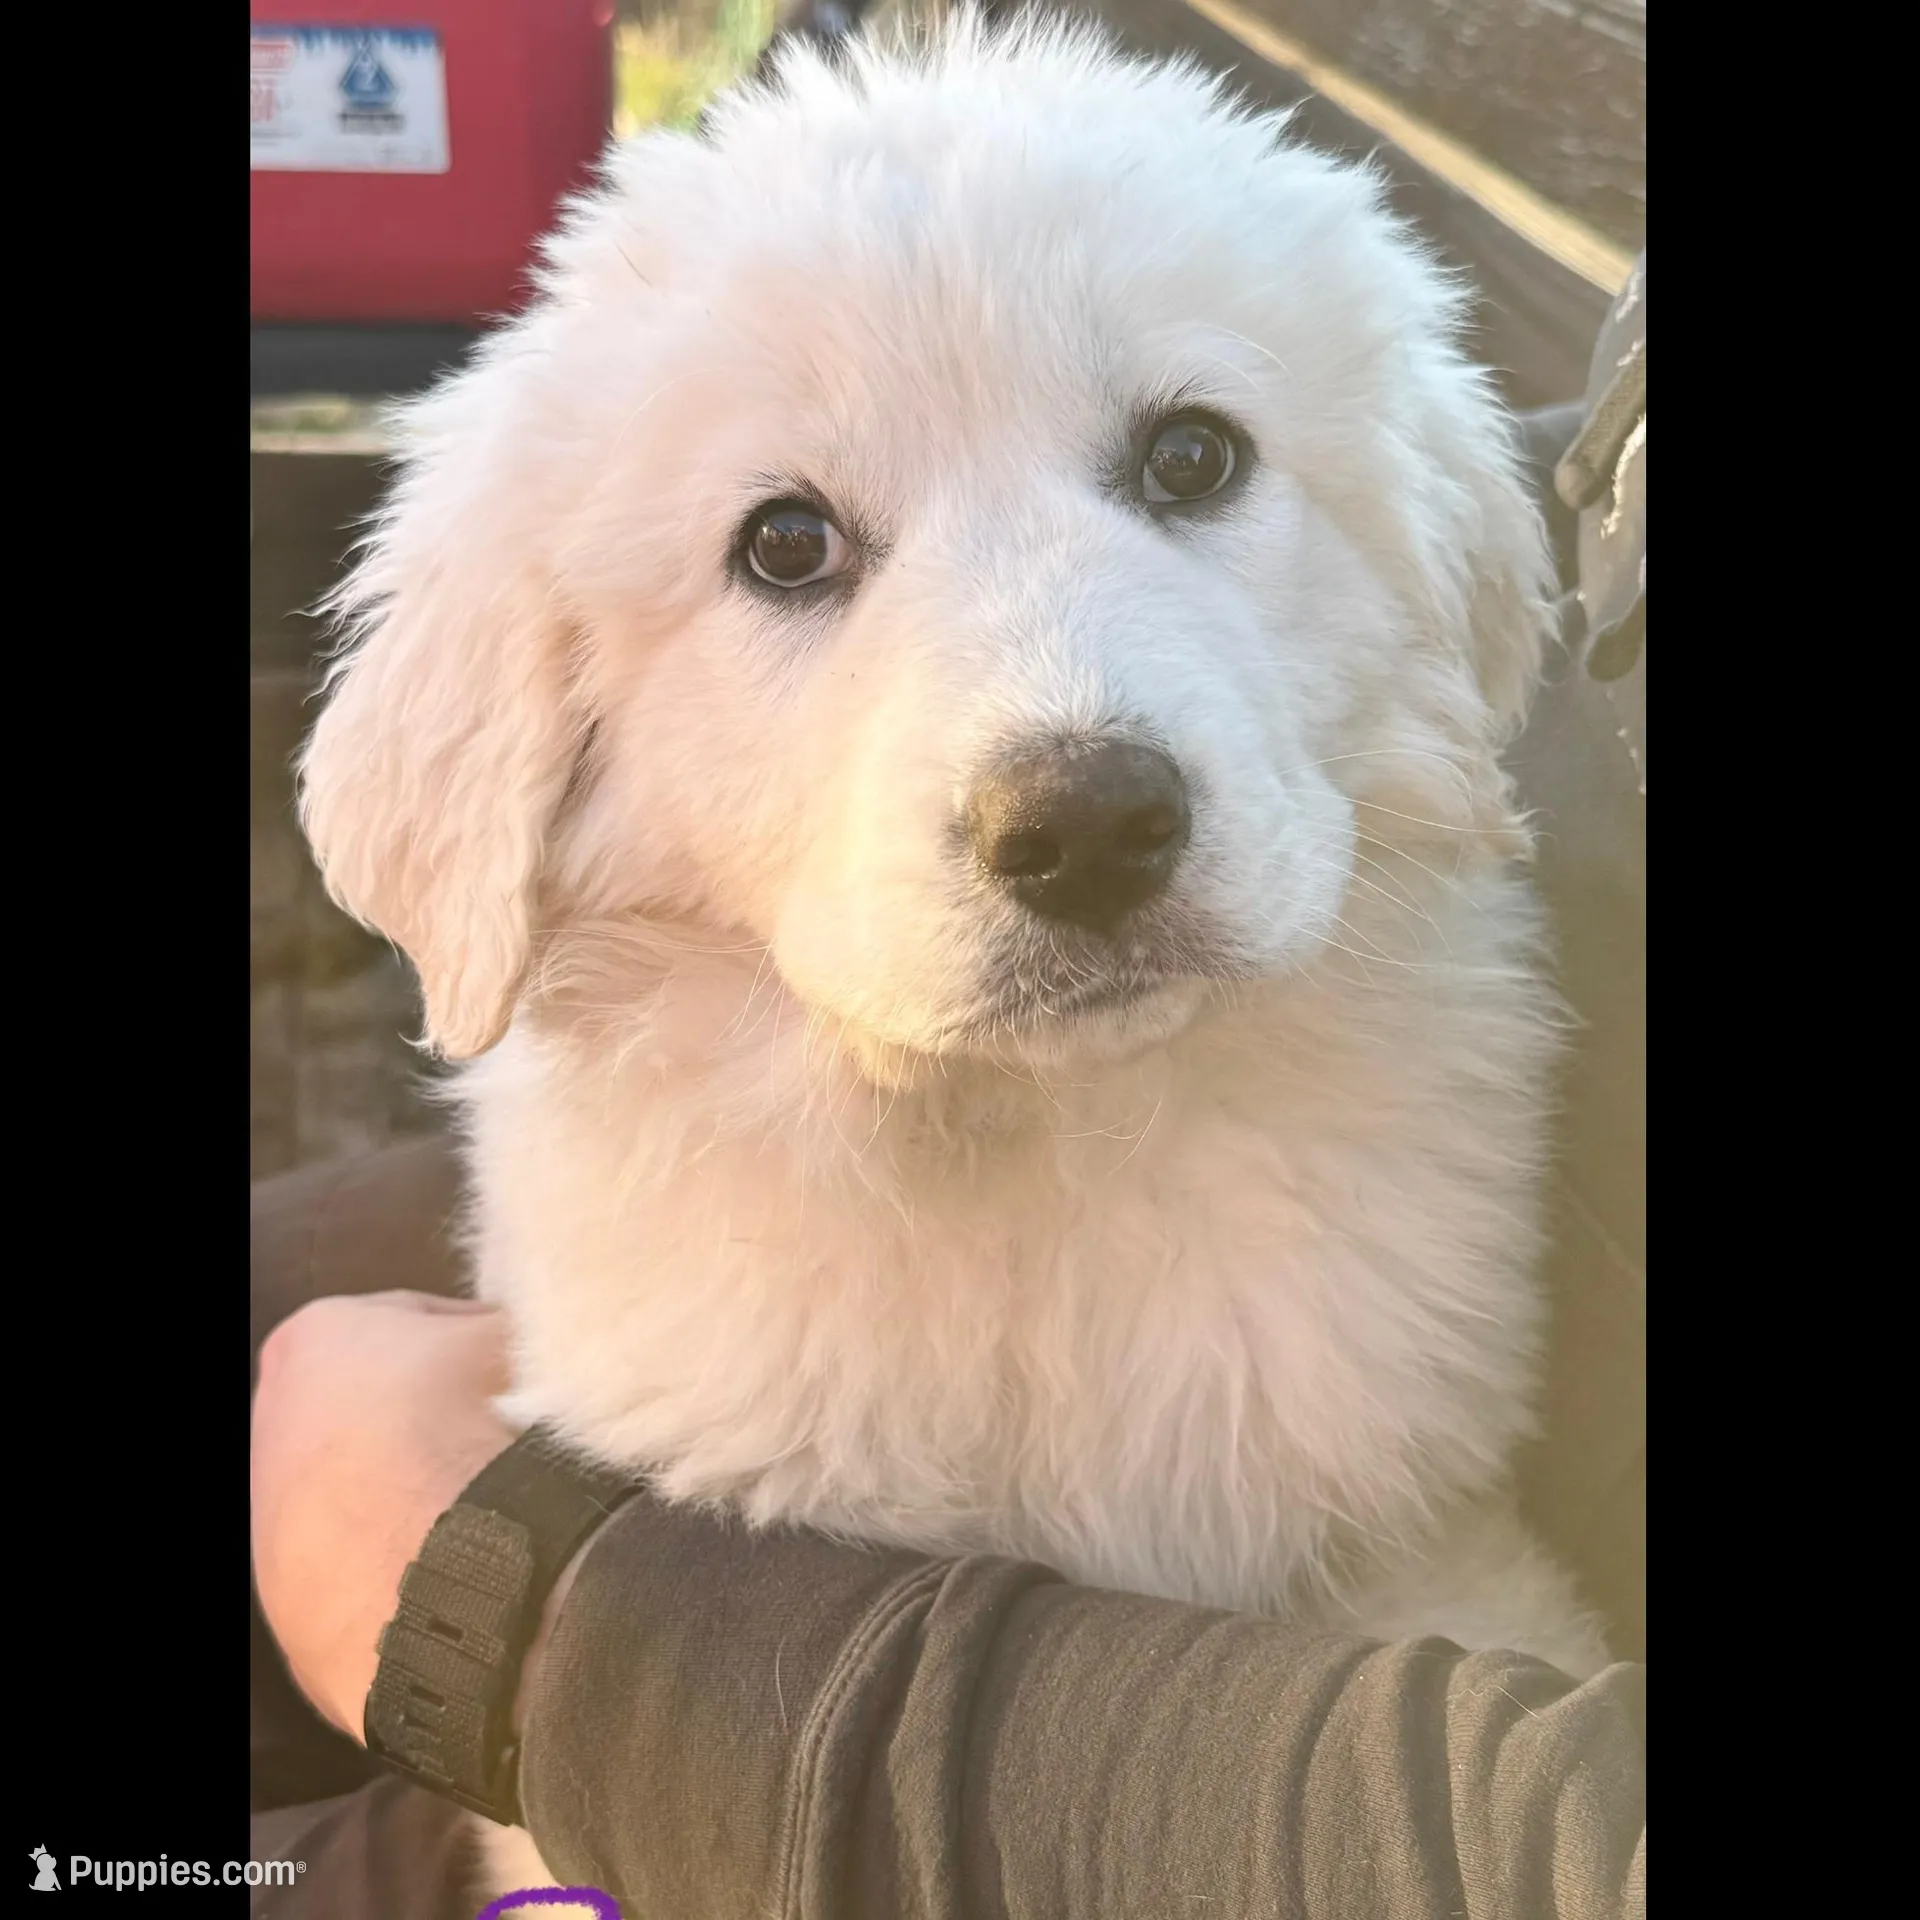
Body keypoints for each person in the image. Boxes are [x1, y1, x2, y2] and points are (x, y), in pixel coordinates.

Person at [249, 228, 1643, 1920]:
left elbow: (1435, 1615)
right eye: (789, 545)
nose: (1066, 755)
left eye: (1189, 461)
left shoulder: (1374, 1274)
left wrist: (532, 1633)